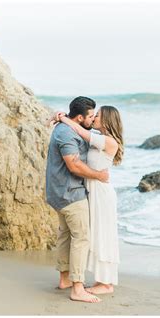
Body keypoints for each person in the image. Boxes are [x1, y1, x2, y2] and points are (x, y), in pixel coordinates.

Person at [54, 105, 124, 295]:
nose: (93, 118)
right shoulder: (98, 136)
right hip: (91, 190)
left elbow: (80, 131)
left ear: (107, 120)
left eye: (98, 116)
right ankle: (99, 280)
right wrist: (62, 117)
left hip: (101, 193)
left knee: (104, 235)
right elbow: (80, 129)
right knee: (94, 235)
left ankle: (106, 283)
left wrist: (64, 119)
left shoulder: (109, 142)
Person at [45, 96, 108, 303]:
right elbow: (74, 165)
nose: (93, 119)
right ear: (80, 117)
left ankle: (65, 279)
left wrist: (61, 117)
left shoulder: (68, 128)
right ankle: (78, 288)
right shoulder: (66, 133)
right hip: (70, 193)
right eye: (90, 116)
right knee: (81, 238)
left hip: (59, 192)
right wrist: (99, 175)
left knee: (65, 235)